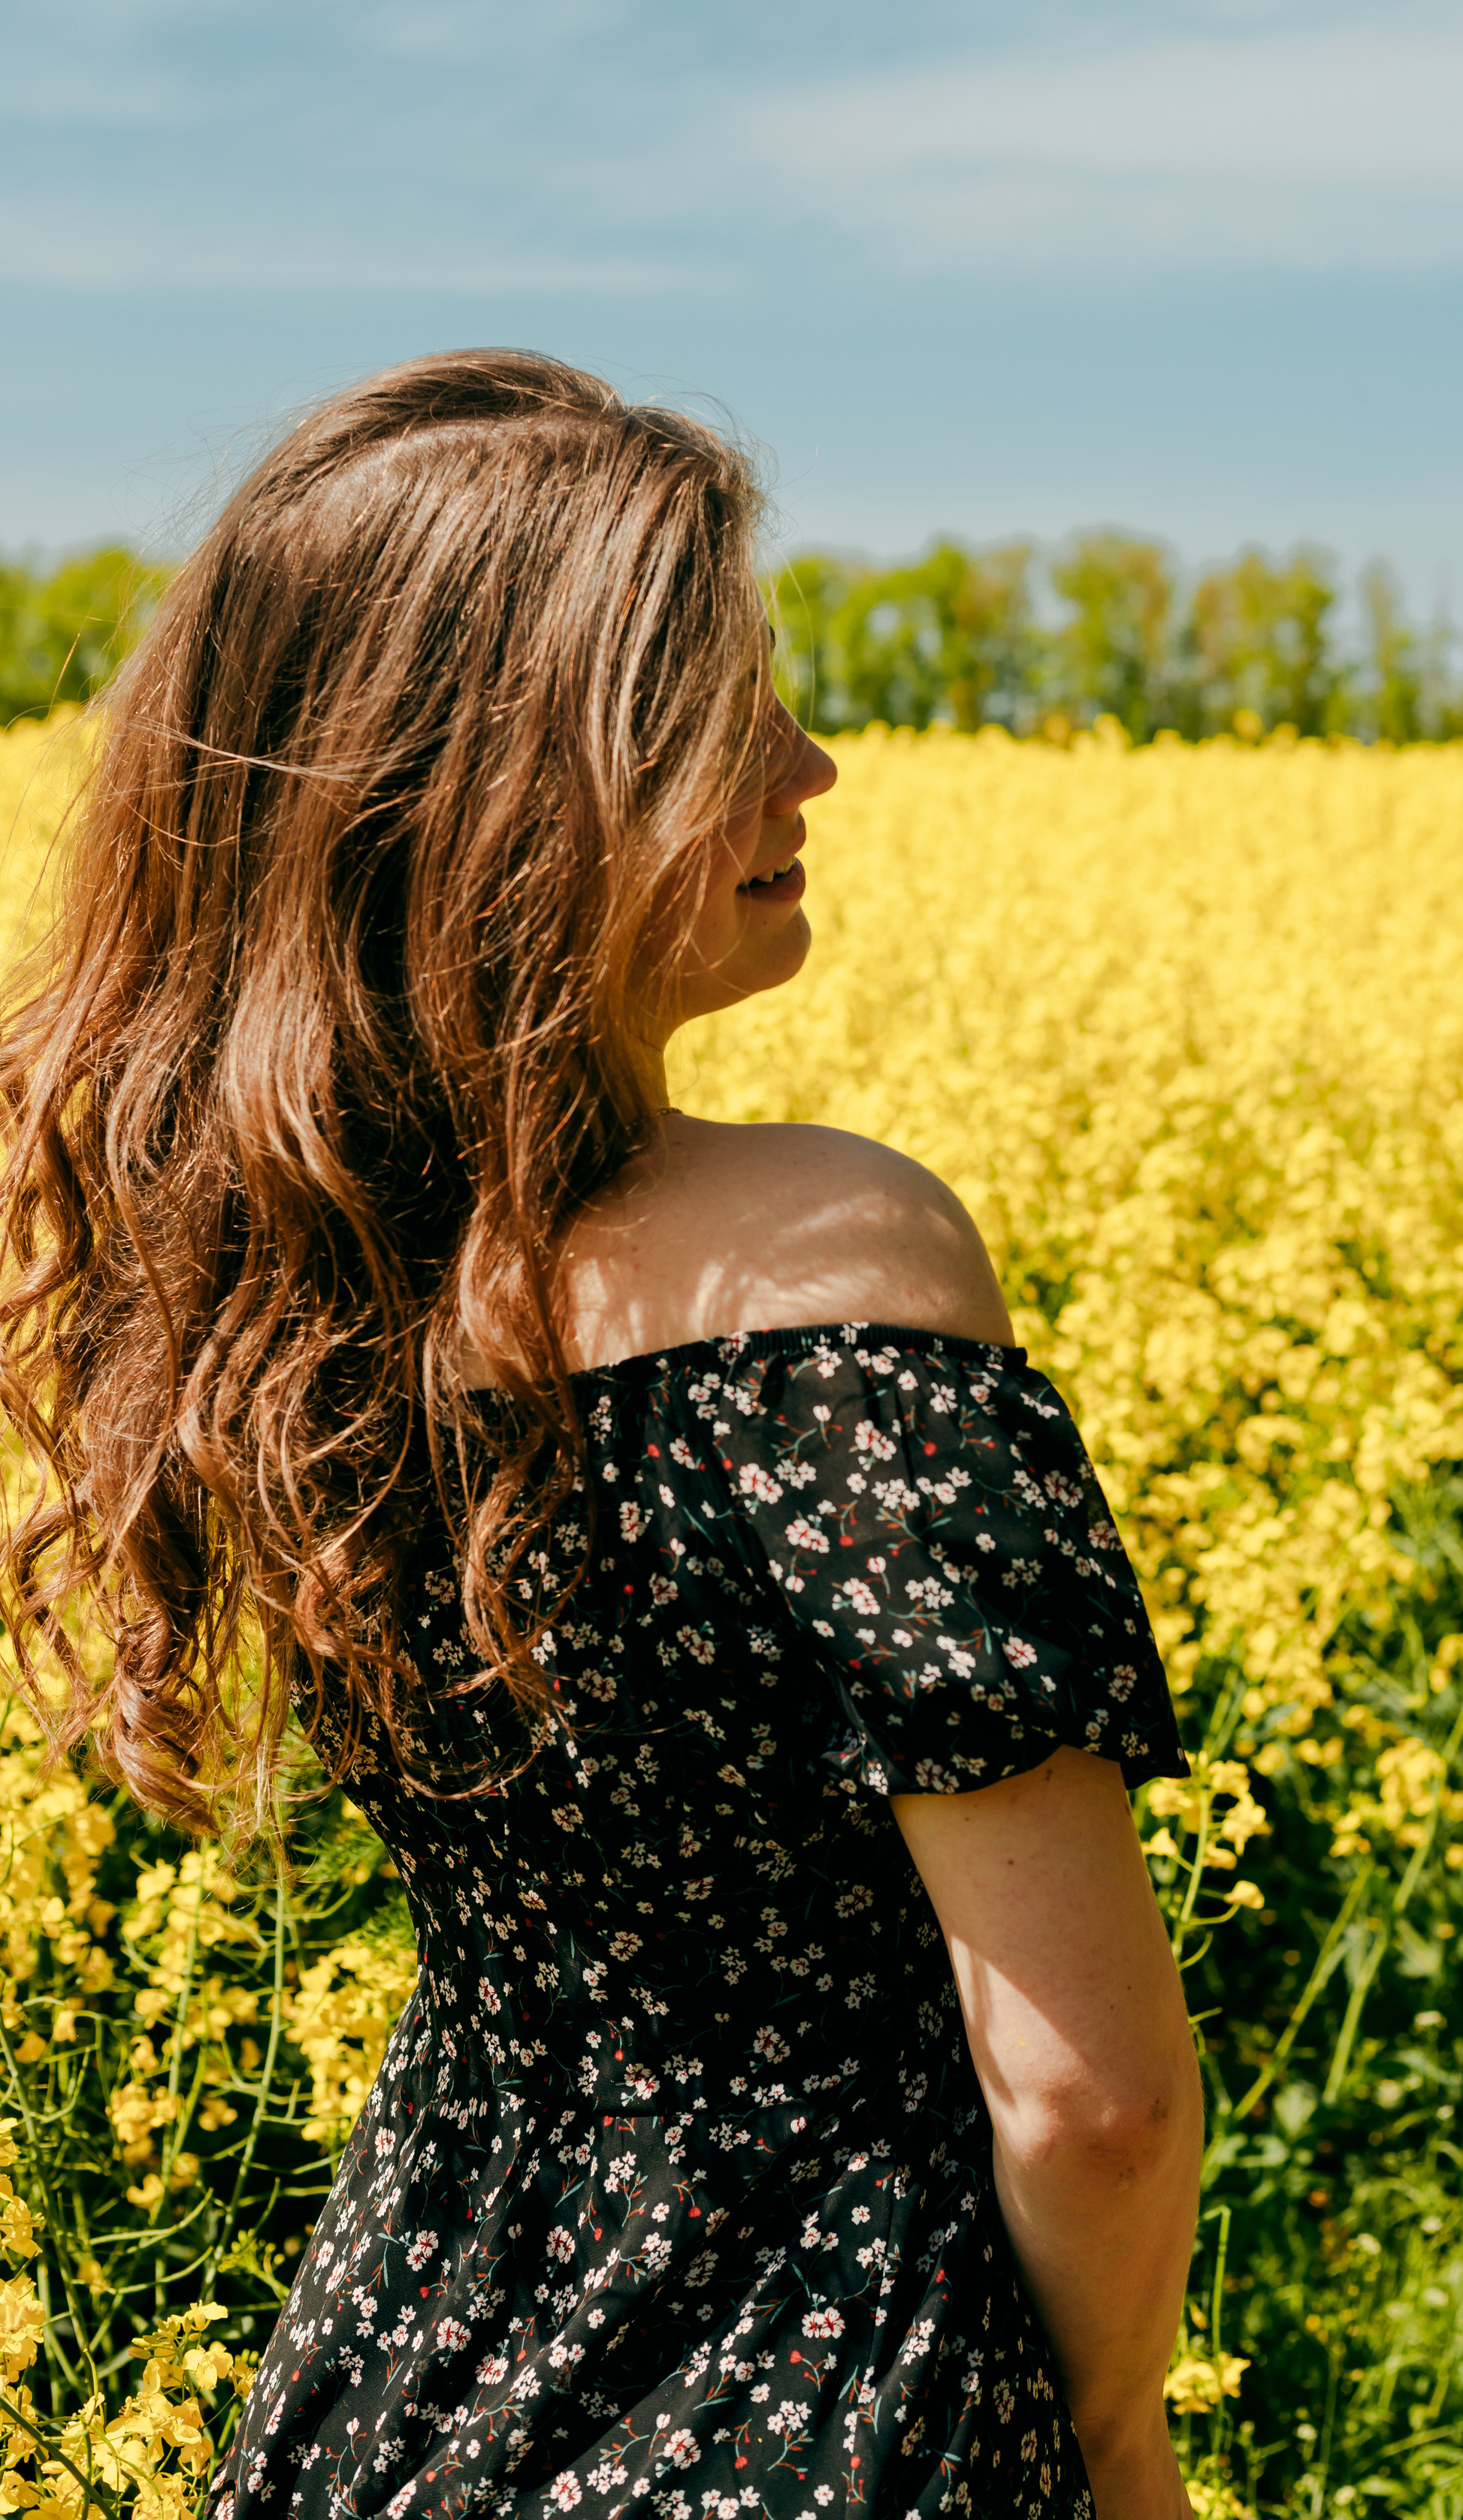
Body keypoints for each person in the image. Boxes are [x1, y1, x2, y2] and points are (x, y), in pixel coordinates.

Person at [0, 352, 1202, 2520]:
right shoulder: (836, 1264)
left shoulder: (283, 1303)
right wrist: (1111, 2440)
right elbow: (1091, 2100)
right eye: (726, 714)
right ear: (522, 797)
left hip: (412, 2367)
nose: (810, 763)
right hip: (829, 2405)